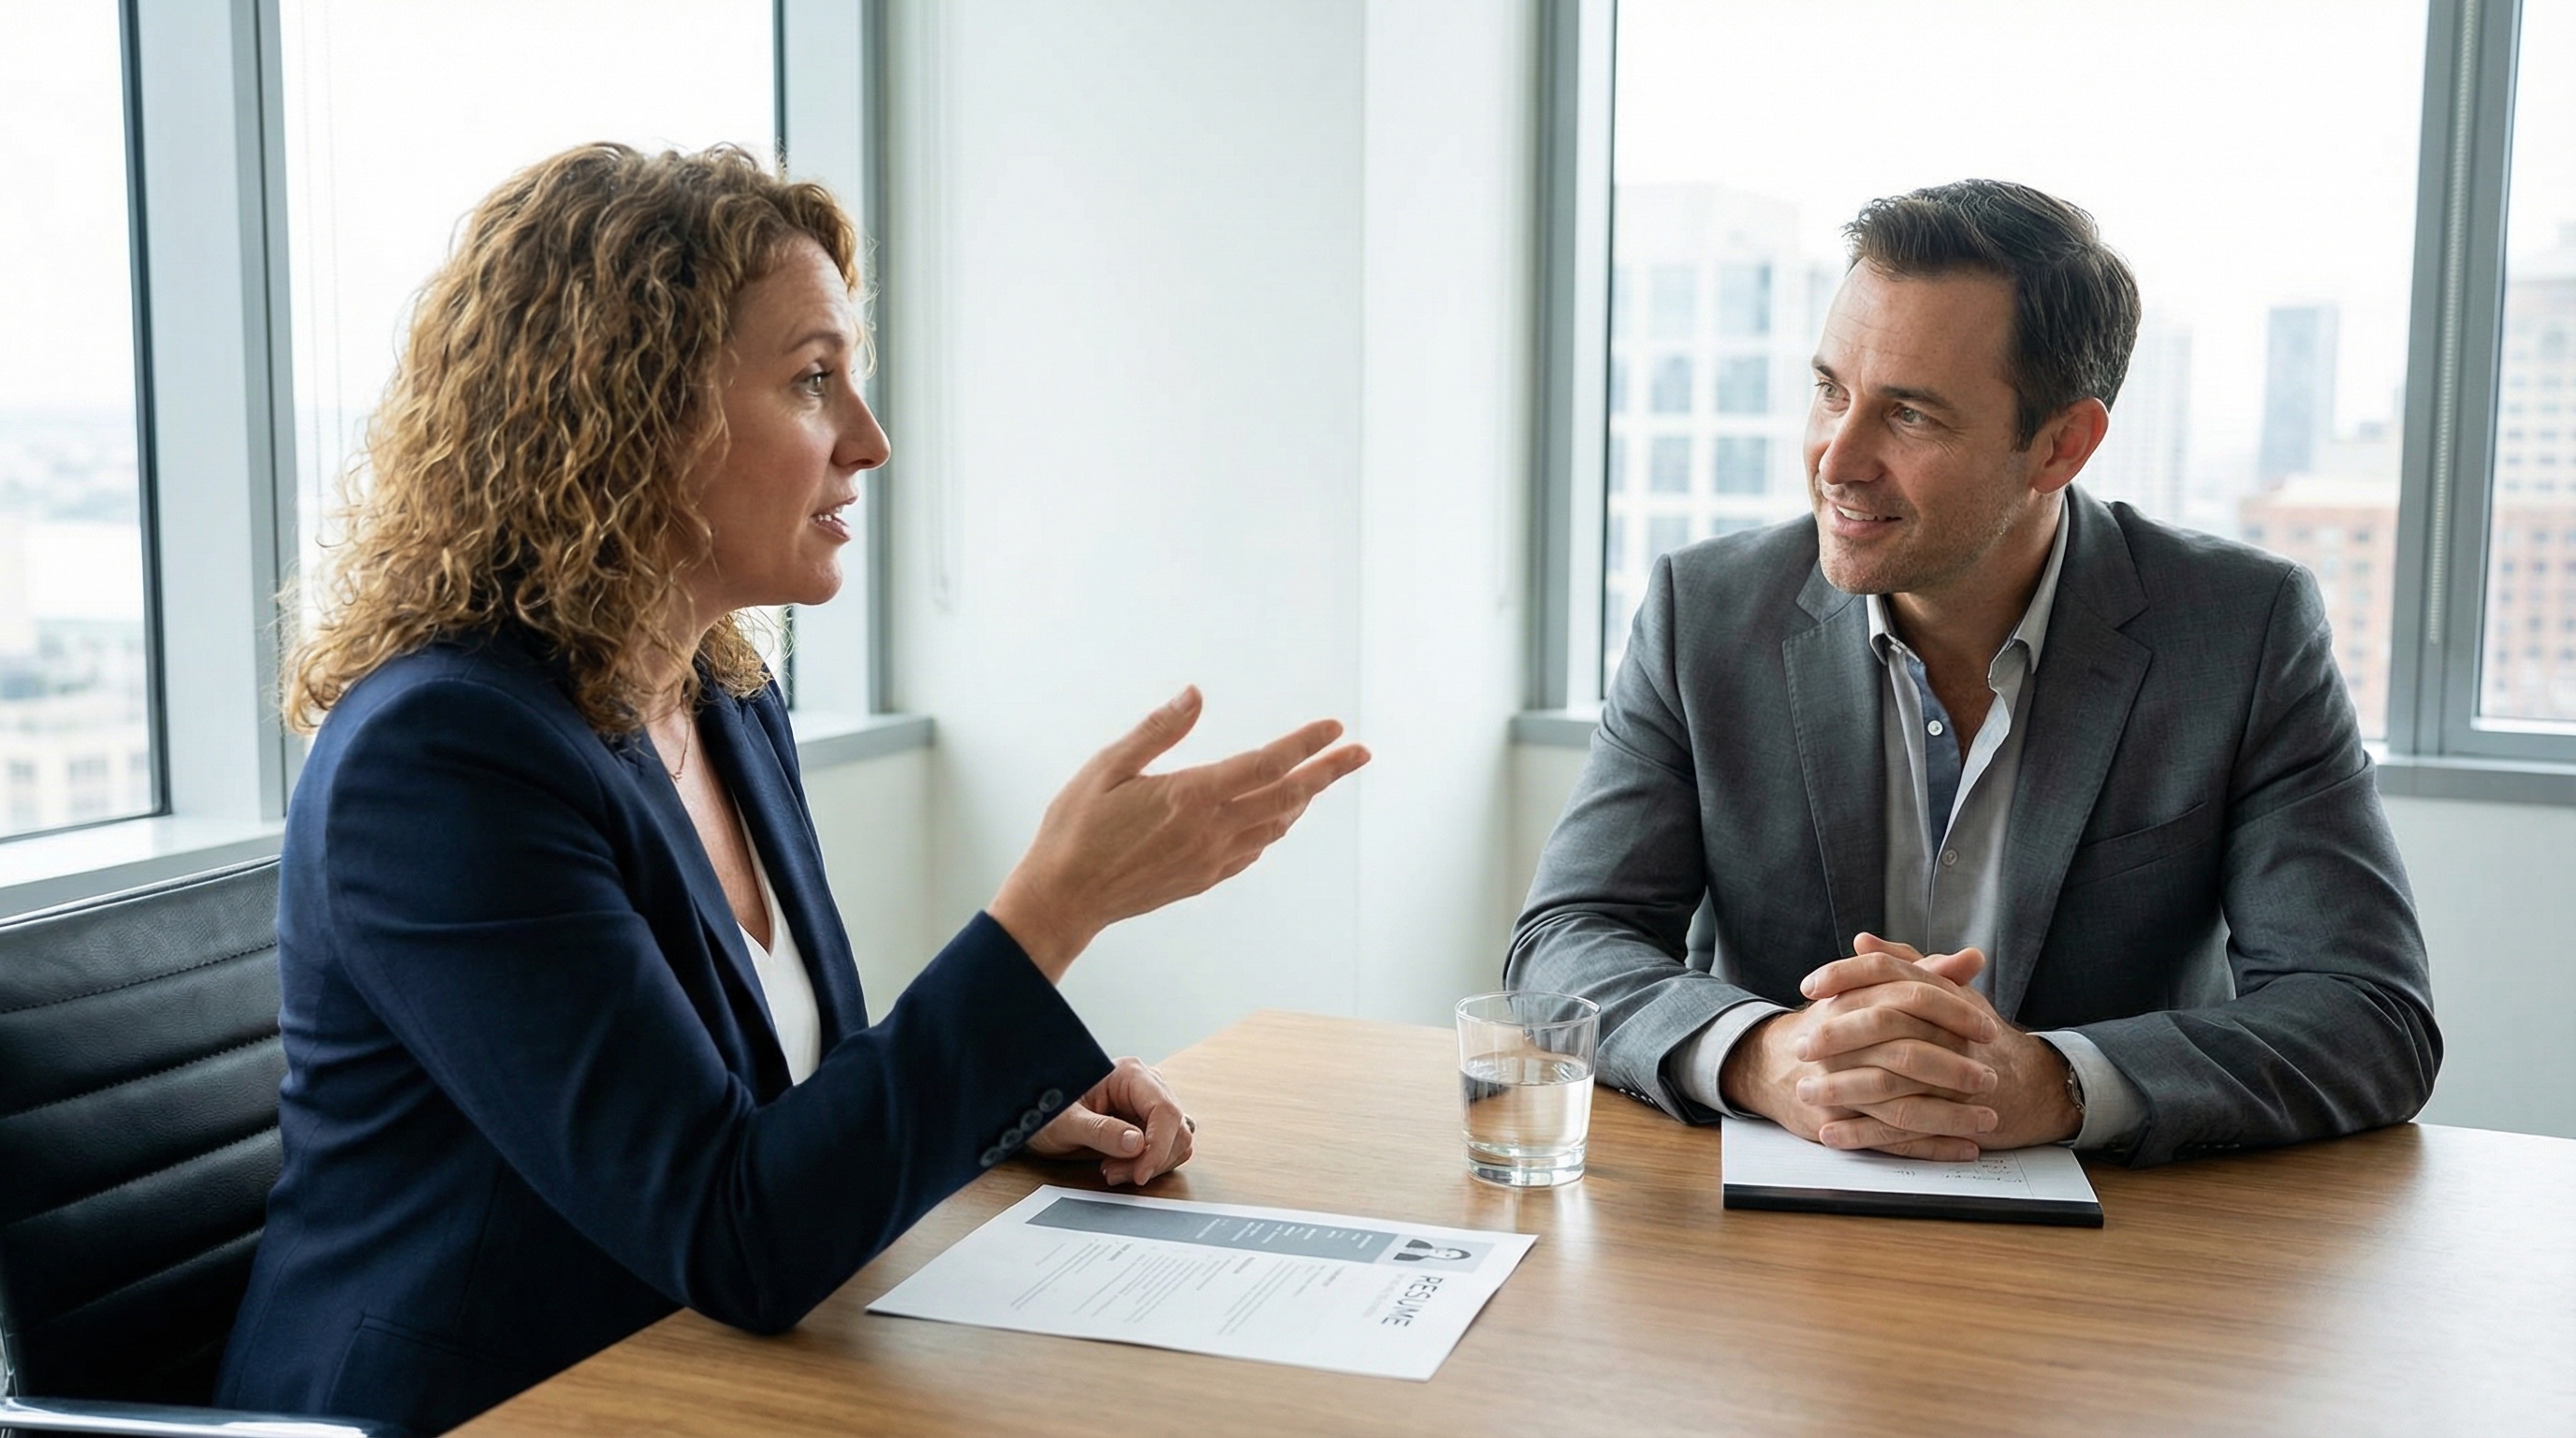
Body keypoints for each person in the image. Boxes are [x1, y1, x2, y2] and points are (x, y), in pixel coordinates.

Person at [213, 143, 1368, 1435]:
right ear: (630, 410)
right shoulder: (441, 759)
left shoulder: (727, 696)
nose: (868, 443)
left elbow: (767, 1121)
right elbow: (735, 1235)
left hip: (690, 1381)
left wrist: (1003, 1107)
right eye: (815, 383)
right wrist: (1052, 913)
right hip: (494, 1405)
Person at [1508, 179, 2437, 1168]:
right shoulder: (1705, 614)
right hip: (1769, 1232)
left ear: (2059, 445)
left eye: (1907, 415)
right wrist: (1762, 1054)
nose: (1837, 459)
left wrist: (2055, 1080)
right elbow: (1566, 939)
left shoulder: (2239, 632)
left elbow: (2367, 1014)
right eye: (1830, 390)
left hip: (2122, 1254)